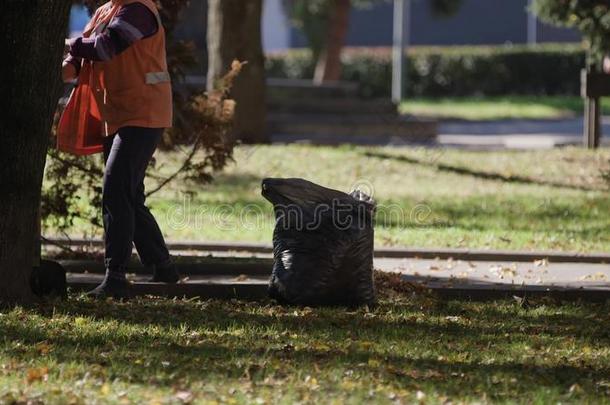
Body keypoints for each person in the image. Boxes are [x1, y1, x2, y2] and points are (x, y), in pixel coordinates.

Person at [62, 0, 179, 298]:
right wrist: (70, 61)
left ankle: (115, 277)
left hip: (144, 112)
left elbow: (105, 47)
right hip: (116, 113)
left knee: (115, 189)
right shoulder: (106, 10)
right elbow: (84, 53)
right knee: (128, 194)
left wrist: (68, 45)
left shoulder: (137, 10)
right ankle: (163, 266)